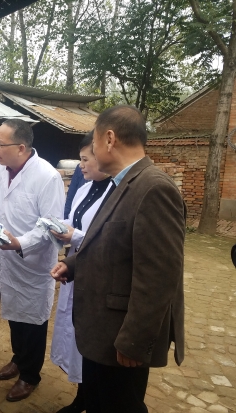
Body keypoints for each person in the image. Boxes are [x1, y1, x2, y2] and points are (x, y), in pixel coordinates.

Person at [51, 105, 186, 413]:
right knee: (99, 401)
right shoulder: (119, 184)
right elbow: (108, 242)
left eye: (95, 141)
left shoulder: (153, 188)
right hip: (102, 330)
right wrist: (72, 265)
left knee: (120, 405)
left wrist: (134, 340)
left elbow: (159, 277)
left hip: (121, 337)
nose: (92, 151)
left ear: (109, 139)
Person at [0, 119, 65, 402]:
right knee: (13, 314)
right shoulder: (0, 168)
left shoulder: (47, 177)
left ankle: (30, 375)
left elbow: (51, 225)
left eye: (0, 144)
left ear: (21, 148)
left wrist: (19, 243)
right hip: (7, 258)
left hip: (33, 262)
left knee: (32, 321)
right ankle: (18, 358)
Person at [50, 130, 112, 413]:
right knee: (75, 334)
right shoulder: (85, 188)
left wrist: (73, 235)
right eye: (80, 160)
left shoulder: (116, 193)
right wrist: (59, 228)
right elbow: (73, 221)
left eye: (86, 159)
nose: (81, 166)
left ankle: (92, 397)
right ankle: (82, 396)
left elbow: (109, 239)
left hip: (97, 273)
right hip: (75, 267)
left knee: (91, 337)